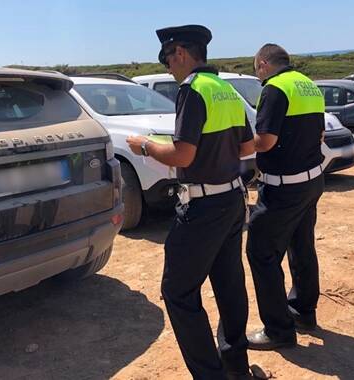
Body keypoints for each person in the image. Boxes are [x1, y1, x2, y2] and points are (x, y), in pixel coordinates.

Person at [126, 25, 263, 379]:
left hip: (203, 207)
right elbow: (248, 148)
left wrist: (145, 146)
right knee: (229, 284)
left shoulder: (192, 90)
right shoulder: (226, 90)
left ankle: (210, 374)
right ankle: (236, 366)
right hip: (233, 200)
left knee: (178, 292)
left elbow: (183, 155)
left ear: (181, 54)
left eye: (168, 58)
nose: (169, 67)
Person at [245, 43, 326, 350]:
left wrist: (236, 145)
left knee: (261, 253)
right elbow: (319, 135)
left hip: (283, 188)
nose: (258, 74)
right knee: (302, 246)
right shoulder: (308, 86)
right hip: (311, 181)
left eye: (257, 69)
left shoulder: (274, 88)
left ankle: (278, 330)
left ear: (264, 63)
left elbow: (265, 141)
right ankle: (304, 312)